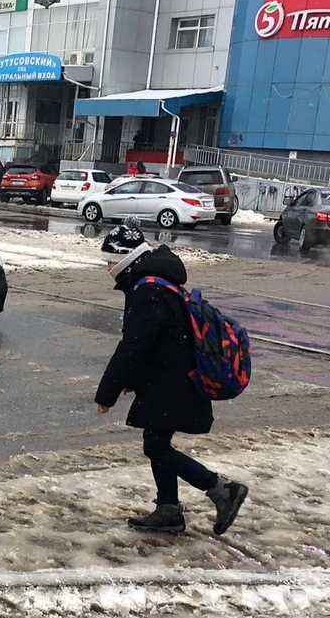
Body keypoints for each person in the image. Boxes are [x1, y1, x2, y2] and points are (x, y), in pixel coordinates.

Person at [94, 218, 248, 535]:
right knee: (156, 441)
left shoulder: (148, 291)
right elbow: (155, 344)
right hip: (172, 379)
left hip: (174, 383)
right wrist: (131, 381)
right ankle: (169, 510)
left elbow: (134, 346)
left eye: (110, 260)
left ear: (125, 258)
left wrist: (106, 394)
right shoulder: (155, 283)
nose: (107, 267)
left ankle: (221, 489)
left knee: (156, 446)